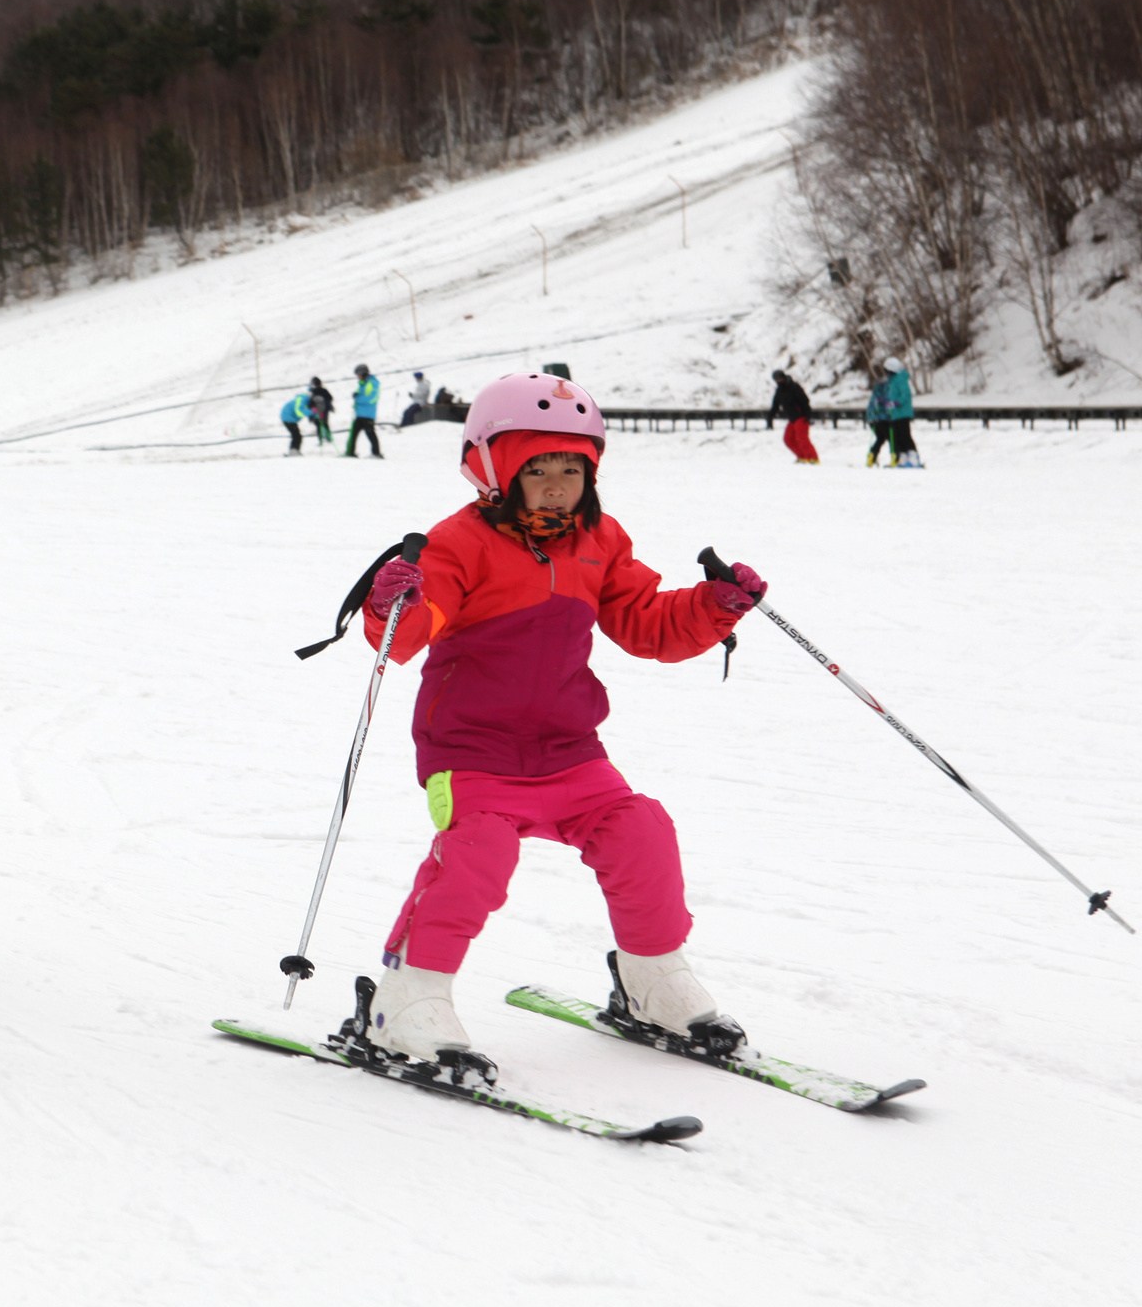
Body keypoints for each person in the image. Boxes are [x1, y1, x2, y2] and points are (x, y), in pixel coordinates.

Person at [347, 372, 763, 1078]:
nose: (555, 485)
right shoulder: (460, 543)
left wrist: (711, 606)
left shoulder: (599, 539)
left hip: (569, 750)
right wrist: (395, 603)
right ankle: (407, 997)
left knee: (641, 830)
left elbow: (645, 622)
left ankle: (651, 979)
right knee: (477, 852)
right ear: (490, 466)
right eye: (535, 467)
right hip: (472, 750)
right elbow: (411, 632)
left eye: (572, 469)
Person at [883, 356, 922, 468]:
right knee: (898, 436)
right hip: (895, 414)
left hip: (903, 413)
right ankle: (903, 457)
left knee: (905, 435)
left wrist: (896, 403)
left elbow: (905, 395)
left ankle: (914, 457)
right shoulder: (893, 381)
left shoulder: (900, 380)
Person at [772, 370, 817, 464]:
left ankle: (813, 458)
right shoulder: (779, 391)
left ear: (784, 377)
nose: (779, 380)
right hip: (792, 419)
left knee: (802, 438)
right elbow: (775, 405)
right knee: (788, 439)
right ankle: (802, 457)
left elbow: (805, 401)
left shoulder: (794, 387)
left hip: (801, 417)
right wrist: (770, 418)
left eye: (780, 378)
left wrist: (808, 416)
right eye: (776, 379)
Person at [344, 363, 383, 459]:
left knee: (370, 433)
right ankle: (350, 452)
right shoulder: (363, 383)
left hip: (368, 414)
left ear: (363, 373)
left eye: (358, 374)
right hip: (360, 413)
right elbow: (361, 393)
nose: (357, 377)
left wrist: (357, 398)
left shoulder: (372, 383)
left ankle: (376, 453)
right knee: (353, 433)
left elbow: (371, 398)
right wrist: (356, 394)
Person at [863, 370, 894, 468]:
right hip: (882, 418)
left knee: (880, 438)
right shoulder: (887, 388)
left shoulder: (877, 388)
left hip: (872, 419)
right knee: (890, 438)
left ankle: (872, 455)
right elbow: (886, 404)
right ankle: (894, 456)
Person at [280, 388, 310, 456]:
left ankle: (294, 451)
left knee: (296, 435)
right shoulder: (302, 399)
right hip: (288, 418)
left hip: (288, 418)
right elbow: (299, 412)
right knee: (296, 435)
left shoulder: (302, 400)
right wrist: (312, 412)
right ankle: (293, 451)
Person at [307, 377, 335, 443]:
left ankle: (320, 440)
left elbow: (310, 403)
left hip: (316, 411)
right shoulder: (324, 390)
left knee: (318, 424)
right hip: (325, 410)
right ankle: (328, 437)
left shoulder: (312, 392)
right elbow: (330, 398)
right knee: (325, 423)